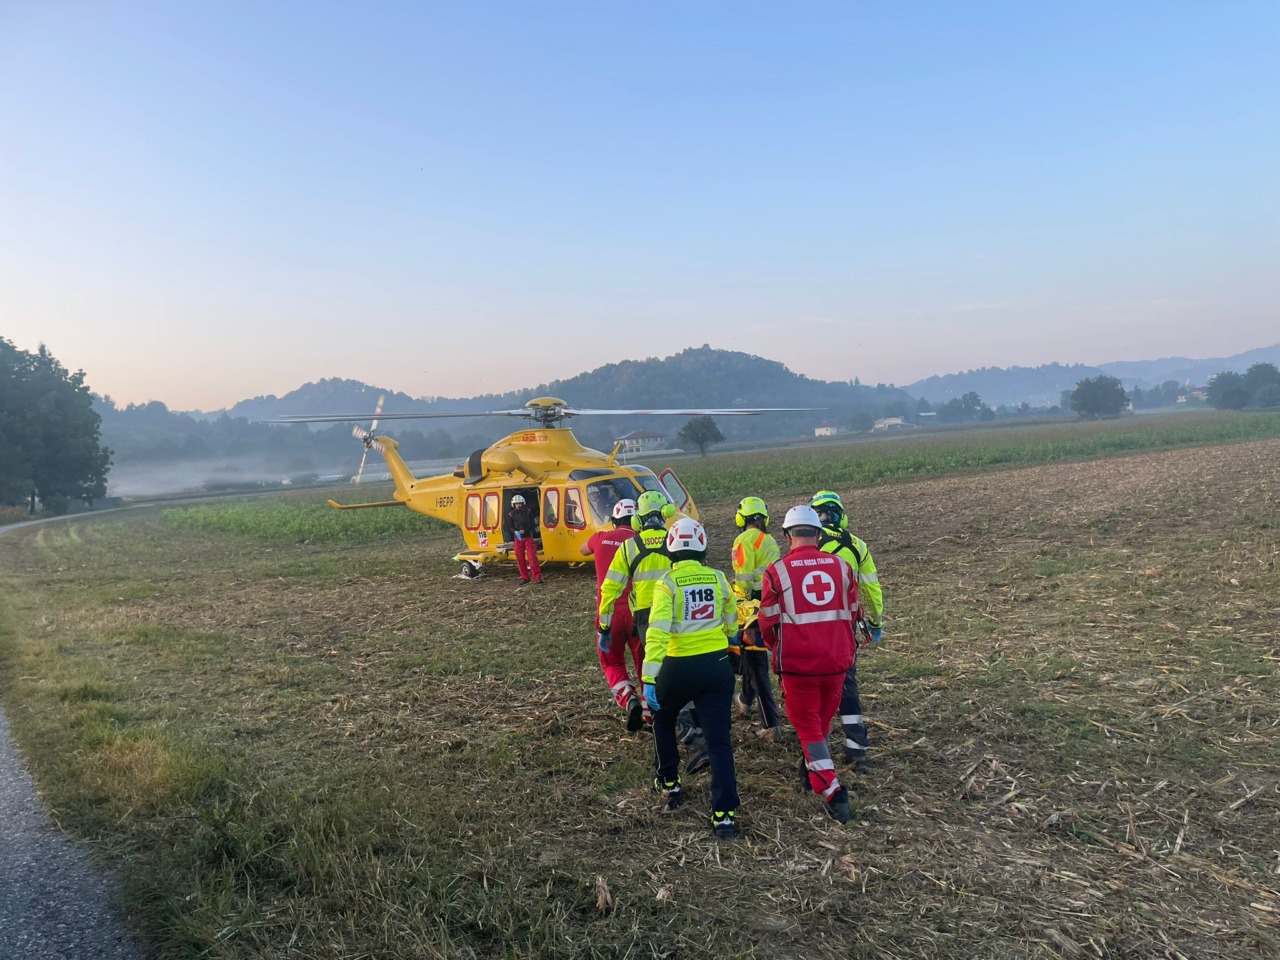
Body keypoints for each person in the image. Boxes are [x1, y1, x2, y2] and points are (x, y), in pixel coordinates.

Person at [758, 505, 860, 824]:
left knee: (809, 730)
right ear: (817, 533)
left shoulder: (777, 572)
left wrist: (777, 649)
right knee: (820, 724)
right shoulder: (843, 567)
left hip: (799, 665)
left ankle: (831, 790)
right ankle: (809, 769)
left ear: (788, 535)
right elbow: (854, 613)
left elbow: (766, 622)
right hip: (837, 662)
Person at [642, 517, 742, 839]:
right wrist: (730, 638)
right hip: (716, 666)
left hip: (677, 667)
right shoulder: (717, 577)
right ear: (702, 547)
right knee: (719, 741)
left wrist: (648, 676)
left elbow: (657, 632)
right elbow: (731, 621)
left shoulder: (667, 583)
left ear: (671, 550)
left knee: (663, 719)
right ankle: (724, 815)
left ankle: (669, 783)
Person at [810, 490, 883, 772]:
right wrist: (876, 622)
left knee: (813, 685)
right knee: (847, 682)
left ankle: (817, 749)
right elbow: (872, 589)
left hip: (812, 625)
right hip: (845, 625)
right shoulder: (858, 546)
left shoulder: (810, 544)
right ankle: (856, 747)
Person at [579, 498, 646, 731]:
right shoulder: (639, 542)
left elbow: (582, 549)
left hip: (608, 615)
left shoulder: (600, 538)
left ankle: (629, 698)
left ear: (614, 520)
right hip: (638, 614)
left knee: (612, 662)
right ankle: (650, 712)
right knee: (644, 664)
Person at [729, 496, 782, 740]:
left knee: (757, 662)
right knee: (752, 655)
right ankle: (746, 701)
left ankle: (770, 723)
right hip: (772, 604)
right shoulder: (769, 540)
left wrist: (737, 603)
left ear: (741, 518)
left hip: (751, 607)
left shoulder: (742, 540)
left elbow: (743, 579)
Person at [506, 494, 542, 584]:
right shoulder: (511, 514)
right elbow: (510, 527)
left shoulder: (528, 511)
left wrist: (525, 530)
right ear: (513, 505)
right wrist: (515, 532)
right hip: (517, 539)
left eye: (520, 503)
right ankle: (525, 578)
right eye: (517, 504)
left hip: (528, 537)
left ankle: (537, 577)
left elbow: (533, 524)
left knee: (532, 558)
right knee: (520, 558)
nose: (519, 505)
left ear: (523, 503)